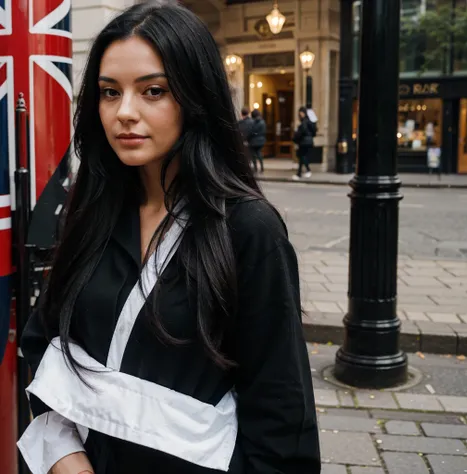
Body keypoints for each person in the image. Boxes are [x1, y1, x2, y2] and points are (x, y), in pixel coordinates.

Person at [17, 3, 320, 474]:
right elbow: (45, 341)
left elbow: (282, 418)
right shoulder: (92, 212)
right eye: (109, 92)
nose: (125, 113)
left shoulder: (247, 229)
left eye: (153, 91)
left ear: (196, 96)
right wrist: (64, 454)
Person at [292, 106, 316, 180]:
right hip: (308, 141)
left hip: (304, 142)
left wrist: (295, 137)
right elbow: (313, 132)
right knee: (302, 157)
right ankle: (300, 173)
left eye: (301, 113)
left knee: (302, 156)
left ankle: (305, 171)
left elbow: (301, 132)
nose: (300, 114)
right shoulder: (309, 121)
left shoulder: (304, 122)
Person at [248, 109, 266, 173]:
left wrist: (248, 138)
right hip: (261, 140)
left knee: (253, 155)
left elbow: (251, 131)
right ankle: (262, 167)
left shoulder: (253, 122)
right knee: (259, 153)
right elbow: (264, 131)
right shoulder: (263, 122)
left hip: (253, 141)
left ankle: (255, 168)